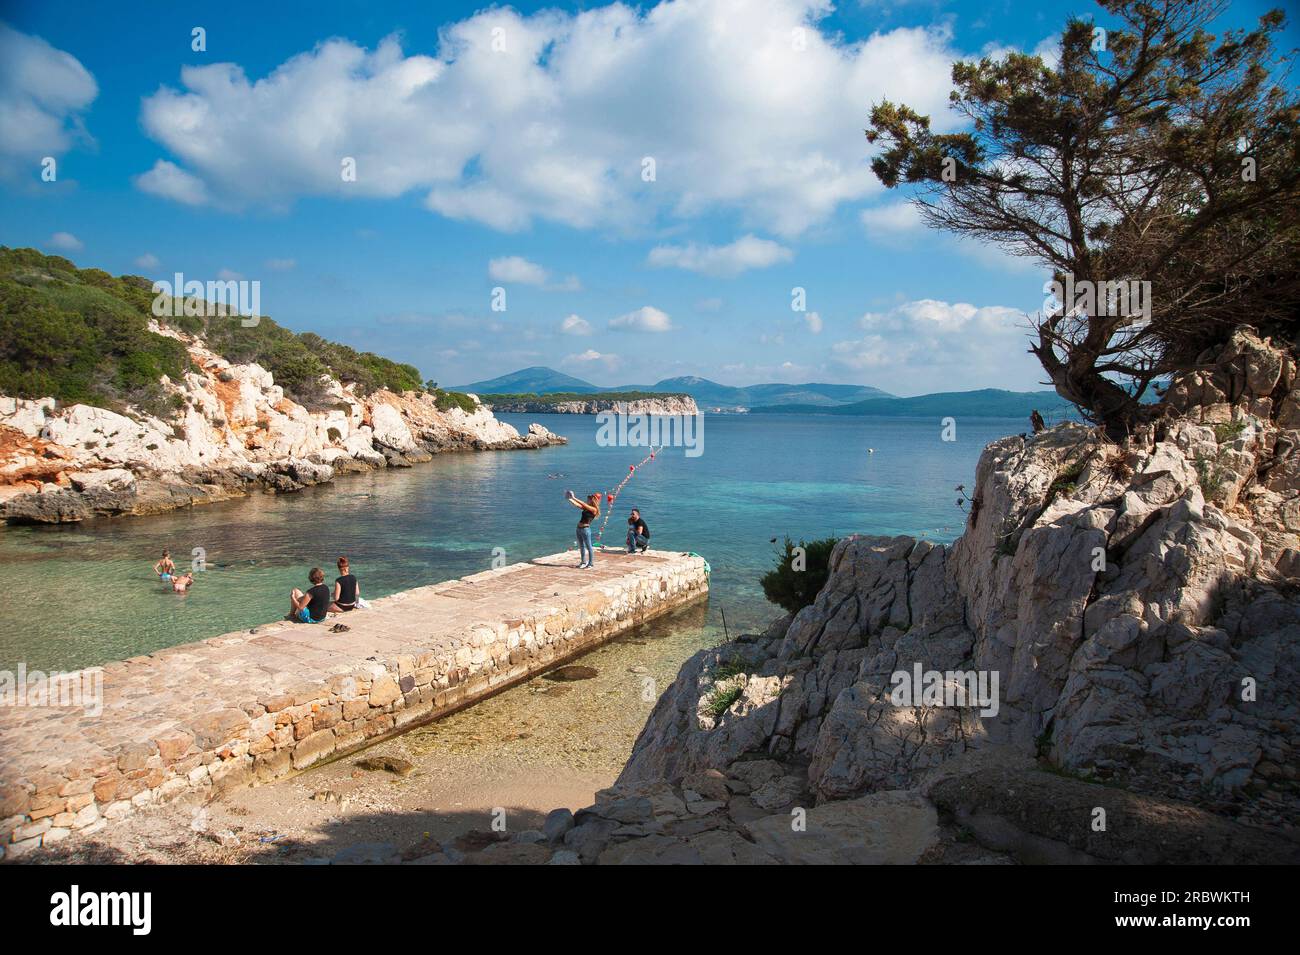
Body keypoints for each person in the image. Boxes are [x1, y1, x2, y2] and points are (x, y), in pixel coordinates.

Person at [567, 490, 601, 568]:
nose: (587, 501)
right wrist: (570, 499)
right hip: (578, 528)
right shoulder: (586, 509)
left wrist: (574, 497)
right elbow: (577, 505)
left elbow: (583, 504)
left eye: (588, 500)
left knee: (589, 547)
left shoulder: (594, 509)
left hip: (585, 529)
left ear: (592, 501)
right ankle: (583, 562)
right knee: (581, 546)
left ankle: (591, 564)